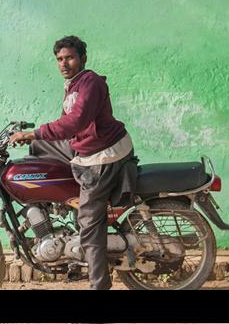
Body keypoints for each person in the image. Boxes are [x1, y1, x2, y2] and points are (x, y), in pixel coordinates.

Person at [8, 35, 138, 290]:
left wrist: (35, 131)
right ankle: (51, 203)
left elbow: (75, 122)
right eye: (59, 59)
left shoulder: (90, 83)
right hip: (87, 144)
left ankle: (99, 285)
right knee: (38, 147)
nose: (64, 63)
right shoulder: (73, 83)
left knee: (89, 221)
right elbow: (67, 124)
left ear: (83, 59)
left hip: (104, 153)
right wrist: (34, 137)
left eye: (69, 57)